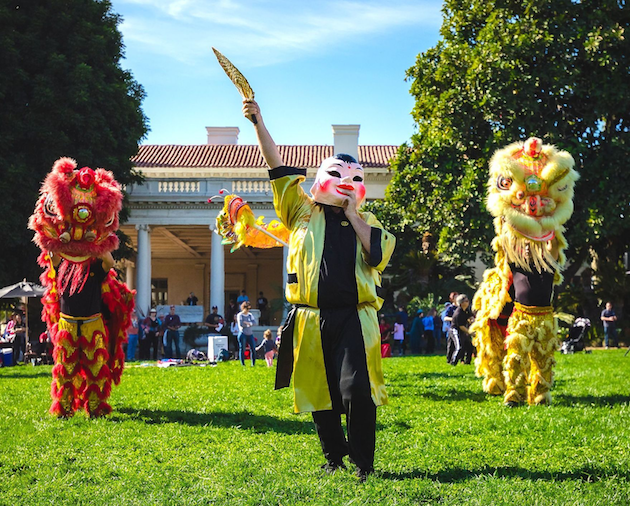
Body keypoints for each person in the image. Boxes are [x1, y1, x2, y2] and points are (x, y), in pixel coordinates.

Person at [243, 99, 395, 482]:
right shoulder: (300, 211)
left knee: (357, 389)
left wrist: (353, 214)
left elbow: (378, 256)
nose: (348, 181)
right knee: (318, 392)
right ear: (319, 179)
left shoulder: (368, 220)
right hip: (309, 316)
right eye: (339, 174)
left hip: (355, 318)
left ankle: (363, 463)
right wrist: (259, 121)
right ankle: (333, 456)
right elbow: (276, 164)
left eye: (356, 178)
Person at [450, 294, 474, 365]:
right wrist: (470, 332)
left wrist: (472, 320)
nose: (468, 302)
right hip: (455, 330)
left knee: (469, 346)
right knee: (459, 346)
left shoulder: (466, 310)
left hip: (463, 330)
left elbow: (470, 317)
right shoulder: (458, 313)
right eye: (466, 301)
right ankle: (453, 362)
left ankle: (467, 362)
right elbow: (461, 326)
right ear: (461, 303)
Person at [237, 301, 257, 366]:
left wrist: (248, 323)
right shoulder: (240, 315)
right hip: (243, 333)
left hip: (250, 334)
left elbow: (254, 323)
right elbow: (241, 324)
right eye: (247, 309)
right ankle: (242, 363)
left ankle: (253, 363)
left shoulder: (250, 315)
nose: (248, 310)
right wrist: (248, 324)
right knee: (242, 348)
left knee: (253, 348)